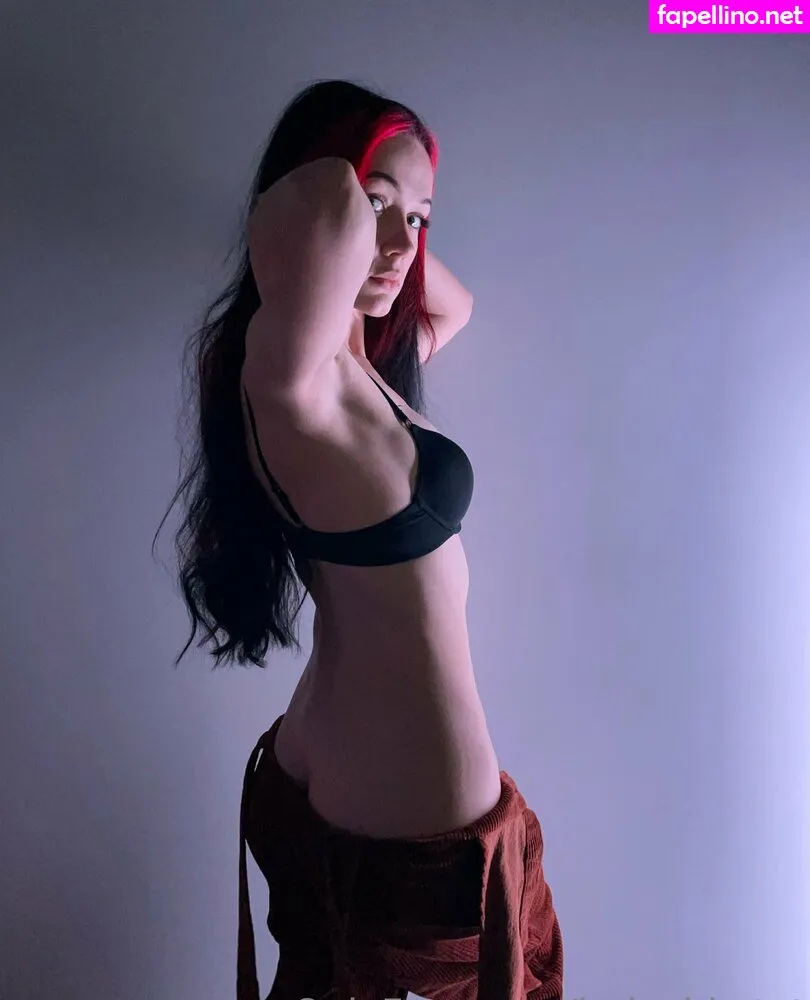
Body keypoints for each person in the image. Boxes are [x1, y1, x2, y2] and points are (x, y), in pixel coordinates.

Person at [154, 79, 564, 999]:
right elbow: (312, 199)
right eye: (371, 205)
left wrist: (400, 208)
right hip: (417, 799)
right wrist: (355, 183)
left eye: (420, 219)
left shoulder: (358, 366)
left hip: (331, 749)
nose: (400, 244)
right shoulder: (291, 375)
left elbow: (453, 306)